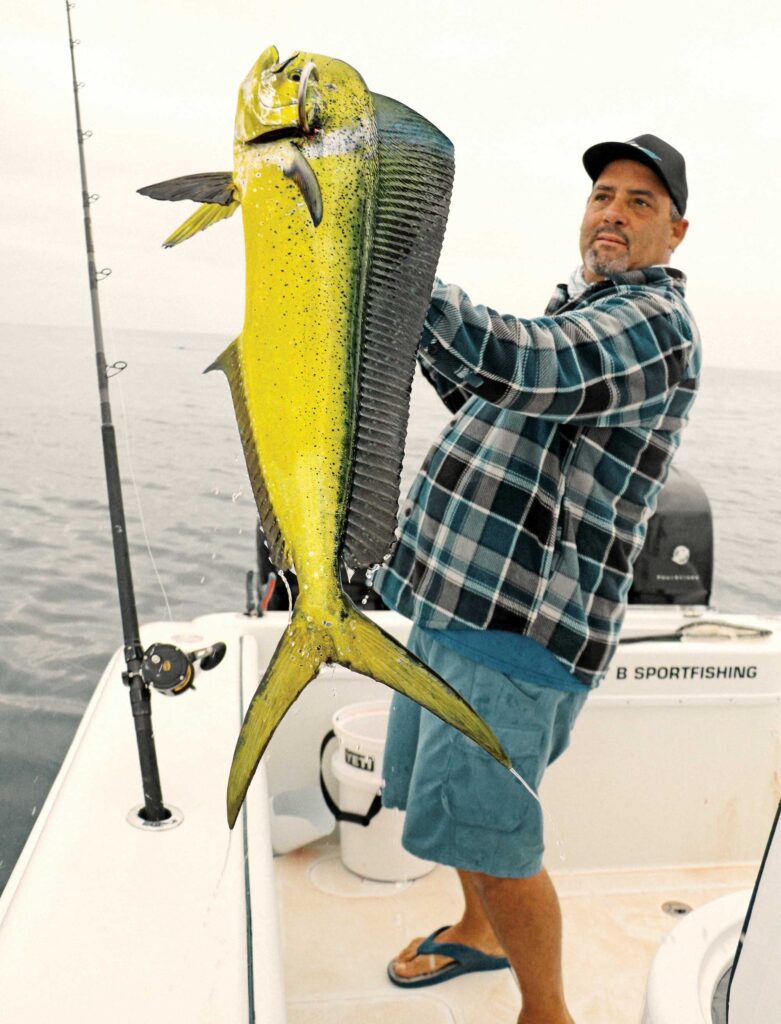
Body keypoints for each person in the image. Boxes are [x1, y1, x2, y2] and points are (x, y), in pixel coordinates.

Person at [371, 134, 701, 1024]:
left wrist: (396, 257)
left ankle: (546, 1011)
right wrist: (402, 314)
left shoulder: (651, 324)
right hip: (453, 604)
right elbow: (488, 389)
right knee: (453, 809)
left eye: (639, 202)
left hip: (516, 633)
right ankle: (477, 929)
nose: (613, 213)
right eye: (602, 196)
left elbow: (523, 362)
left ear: (674, 233)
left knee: (495, 835)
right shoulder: (581, 310)